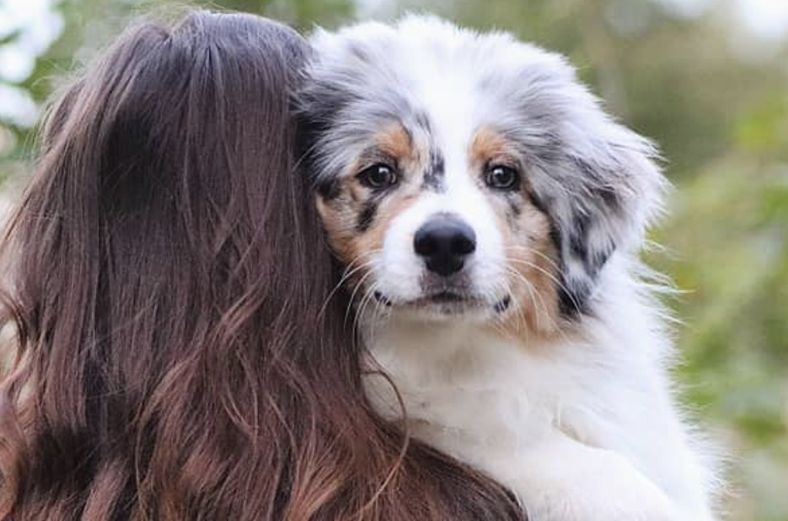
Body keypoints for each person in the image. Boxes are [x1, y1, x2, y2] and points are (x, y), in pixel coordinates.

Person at [0, 11, 525, 521]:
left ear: (70, 265)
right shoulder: (487, 496)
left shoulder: (29, 484)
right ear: (286, 237)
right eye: (373, 176)